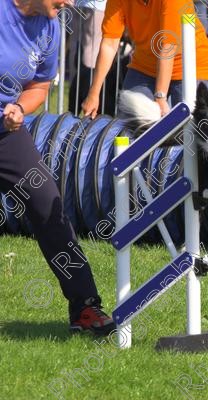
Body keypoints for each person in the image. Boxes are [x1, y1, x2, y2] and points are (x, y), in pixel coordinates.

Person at [0, 0, 115, 334]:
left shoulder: (50, 28)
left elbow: (39, 85)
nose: (68, 3)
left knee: (47, 203)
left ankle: (85, 307)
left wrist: (19, 108)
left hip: (7, 132)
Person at [82, 0, 208, 119]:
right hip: (145, 65)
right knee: (129, 122)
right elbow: (109, 44)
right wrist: (94, 93)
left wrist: (160, 97)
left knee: (191, 127)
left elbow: (167, 47)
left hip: (191, 66)